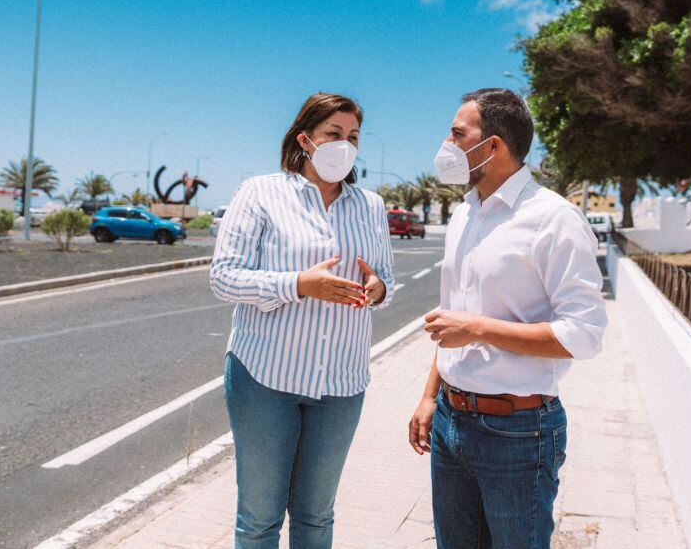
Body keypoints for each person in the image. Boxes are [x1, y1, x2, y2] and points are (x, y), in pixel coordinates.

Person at [408, 88, 607, 549]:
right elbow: (453, 325)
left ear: (493, 145)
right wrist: (428, 398)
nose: (447, 144)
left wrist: (477, 330)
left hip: (518, 432)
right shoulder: (465, 214)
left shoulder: (554, 219)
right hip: (449, 420)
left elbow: (585, 334)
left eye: (457, 134)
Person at [210, 92, 396, 549]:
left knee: (316, 517)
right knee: (259, 518)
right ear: (305, 139)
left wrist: (379, 291)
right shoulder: (260, 193)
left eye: (353, 136)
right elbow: (224, 278)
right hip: (265, 379)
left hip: (341, 385)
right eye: (334, 134)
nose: (345, 145)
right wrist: (297, 284)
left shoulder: (370, 206)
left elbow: (386, 279)